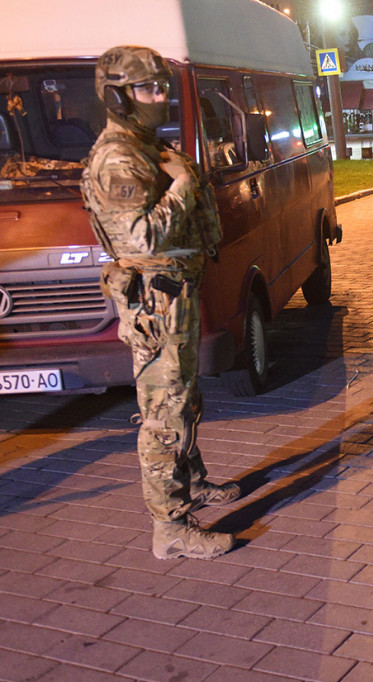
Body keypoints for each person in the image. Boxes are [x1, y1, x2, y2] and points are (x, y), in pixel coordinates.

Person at [80, 46, 238, 559]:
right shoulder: (119, 156)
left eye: (164, 87)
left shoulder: (148, 147)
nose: (161, 97)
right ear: (118, 95)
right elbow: (143, 238)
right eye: (149, 88)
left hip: (175, 294)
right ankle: (170, 529)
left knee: (184, 401)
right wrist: (185, 186)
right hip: (155, 301)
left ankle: (191, 487)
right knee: (164, 414)